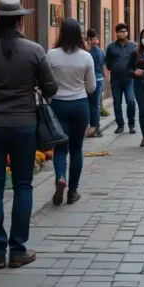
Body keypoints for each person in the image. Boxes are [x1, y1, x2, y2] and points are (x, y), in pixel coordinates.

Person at [0, 0, 58, 269]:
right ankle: (18, 249)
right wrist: (35, 88)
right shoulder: (34, 50)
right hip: (24, 124)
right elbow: (51, 88)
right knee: (22, 185)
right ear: (20, 19)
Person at [47, 19, 97, 207]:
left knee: (60, 148)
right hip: (79, 104)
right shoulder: (86, 56)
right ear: (79, 33)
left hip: (58, 104)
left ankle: (60, 177)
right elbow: (91, 87)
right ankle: (73, 191)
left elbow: (47, 82)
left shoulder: (51, 55)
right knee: (76, 149)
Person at [104, 23, 137, 134]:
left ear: (127, 33)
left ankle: (131, 124)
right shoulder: (111, 47)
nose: (122, 33)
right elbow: (107, 62)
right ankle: (120, 125)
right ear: (116, 33)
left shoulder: (133, 46)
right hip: (116, 80)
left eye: (124, 31)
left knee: (131, 101)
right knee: (117, 102)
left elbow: (138, 61)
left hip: (129, 79)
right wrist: (111, 71)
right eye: (120, 31)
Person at [86, 29, 105, 138]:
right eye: (95, 38)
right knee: (95, 105)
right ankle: (95, 128)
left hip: (92, 80)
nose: (96, 40)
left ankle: (94, 128)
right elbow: (103, 65)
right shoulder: (100, 51)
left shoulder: (88, 52)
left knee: (92, 105)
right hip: (98, 79)